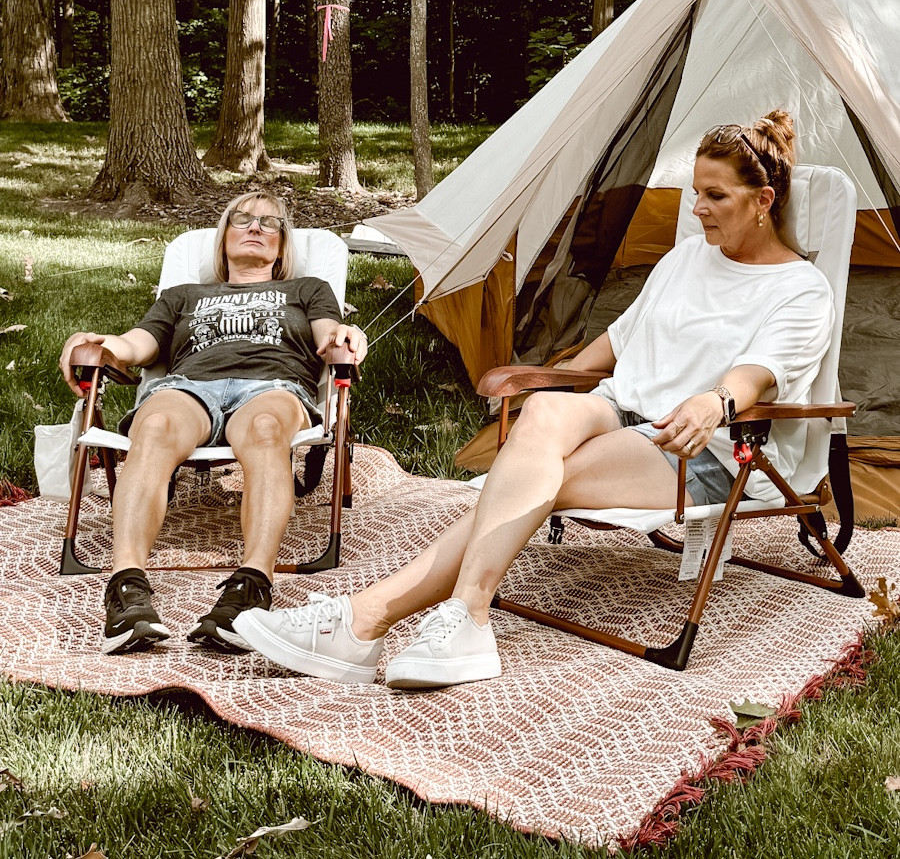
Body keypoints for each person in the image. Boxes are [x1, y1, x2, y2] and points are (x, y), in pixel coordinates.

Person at [232, 111, 835, 689]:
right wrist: (551, 375)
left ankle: (373, 620)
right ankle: (449, 619)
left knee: (525, 480)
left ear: (763, 202)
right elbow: (622, 340)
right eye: (695, 192)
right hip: (618, 410)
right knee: (543, 413)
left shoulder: (801, 291)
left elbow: (754, 378)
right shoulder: (687, 257)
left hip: (700, 453)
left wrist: (714, 402)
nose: (697, 208)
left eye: (716, 197)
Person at [58, 191, 367, 656]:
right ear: (224, 239)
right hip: (189, 386)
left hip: (274, 386)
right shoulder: (183, 296)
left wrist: (350, 335)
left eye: (270, 222)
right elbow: (139, 345)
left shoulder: (307, 289)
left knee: (265, 430)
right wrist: (100, 346)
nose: (255, 227)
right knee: (155, 426)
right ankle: (126, 590)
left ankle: (252, 588)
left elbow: (330, 337)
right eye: (242, 219)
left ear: (282, 247)